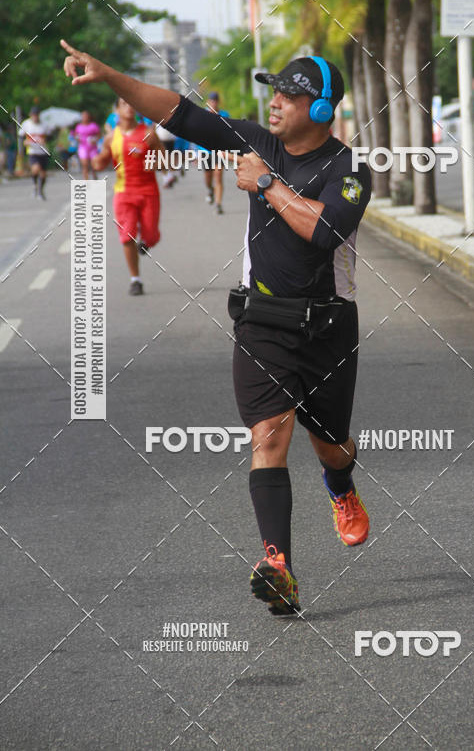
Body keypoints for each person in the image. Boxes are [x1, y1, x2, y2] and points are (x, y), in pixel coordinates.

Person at [60, 39, 372, 616]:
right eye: (273, 89)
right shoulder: (255, 140)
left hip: (327, 327)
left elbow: (326, 233)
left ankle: (341, 486)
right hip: (263, 321)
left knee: (330, 446)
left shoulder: (348, 169)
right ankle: (277, 564)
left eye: (290, 94)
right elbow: (178, 112)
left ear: (323, 109)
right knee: (268, 438)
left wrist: (269, 185)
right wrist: (108, 75)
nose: (275, 100)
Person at [91, 97, 165, 296]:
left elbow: (164, 162)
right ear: (116, 110)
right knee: (127, 235)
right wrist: (96, 161)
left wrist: (157, 155)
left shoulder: (149, 134)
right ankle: (136, 279)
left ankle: (147, 243)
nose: (129, 107)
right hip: (124, 193)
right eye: (124, 104)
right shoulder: (110, 138)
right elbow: (102, 160)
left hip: (148, 191)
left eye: (132, 103)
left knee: (151, 235)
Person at [203, 91, 229, 214]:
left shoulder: (224, 115)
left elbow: (229, 133)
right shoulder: (202, 115)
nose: (213, 103)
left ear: (218, 102)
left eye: (215, 101)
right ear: (208, 102)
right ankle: (210, 190)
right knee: (208, 178)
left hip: (220, 151)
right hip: (205, 151)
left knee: (218, 176)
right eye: (211, 101)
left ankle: (218, 204)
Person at [19, 106, 49, 199]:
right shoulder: (26, 124)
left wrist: (44, 140)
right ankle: (35, 186)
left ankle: (40, 190)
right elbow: (21, 136)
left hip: (43, 151)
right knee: (35, 169)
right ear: (30, 115)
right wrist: (25, 142)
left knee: (43, 174)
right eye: (33, 115)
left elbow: (49, 136)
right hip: (32, 151)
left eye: (36, 115)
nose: (35, 117)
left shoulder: (44, 125)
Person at [74, 110, 101, 180]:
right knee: (85, 165)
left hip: (92, 148)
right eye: (83, 116)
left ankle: (95, 179)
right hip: (83, 147)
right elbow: (76, 135)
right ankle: (86, 183)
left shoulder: (93, 126)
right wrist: (78, 139)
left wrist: (94, 140)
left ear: (89, 117)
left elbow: (99, 135)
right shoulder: (78, 126)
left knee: (94, 166)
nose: (85, 117)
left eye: (86, 116)